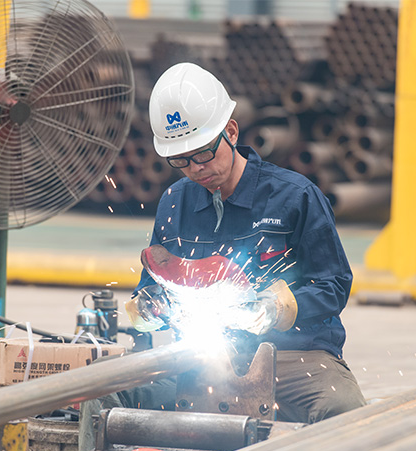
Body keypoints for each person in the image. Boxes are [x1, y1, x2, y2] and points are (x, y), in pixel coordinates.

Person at [126, 62, 365, 424]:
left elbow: (334, 285)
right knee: (115, 395)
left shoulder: (294, 196)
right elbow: (154, 283)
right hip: (200, 359)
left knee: (342, 411)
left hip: (289, 355)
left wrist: (278, 306)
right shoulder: (175, 202)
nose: (196, 168)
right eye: (181, 160)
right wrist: (148, 307)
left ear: (231, 132)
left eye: (205, 152)